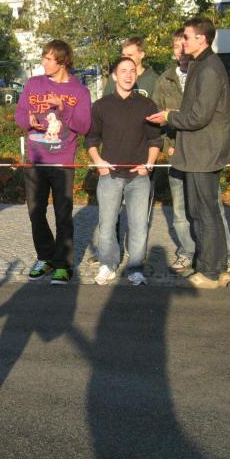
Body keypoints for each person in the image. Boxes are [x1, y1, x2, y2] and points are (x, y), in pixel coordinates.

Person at [147, 16, 230, 289]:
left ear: (202, 39)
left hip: (204, 151)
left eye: (187, 37)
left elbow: (199, 116)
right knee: (203, 210)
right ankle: (216, 267)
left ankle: (211, 271)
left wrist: (169, 116)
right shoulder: (202, 64)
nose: (183, 42)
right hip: (200, 150)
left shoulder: (209, 68)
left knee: (204, 211)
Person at [15, 40, 91, 284]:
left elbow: (84, 126)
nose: (43, 62)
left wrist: (63, 107)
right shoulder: (33, 84)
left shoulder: (80, 91)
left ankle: (63, 264)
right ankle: (45, 257)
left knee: (63, 214)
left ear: (63, 61)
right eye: (43, 57)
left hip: (62, 161)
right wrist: (27, 121)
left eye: (48, 58)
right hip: (35, 159)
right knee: (35, 211)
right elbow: (19, 114)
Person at [86, 56, 162, 286]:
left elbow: (155, 140)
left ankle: (136, 268)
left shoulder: (147, 105)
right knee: (107, 225)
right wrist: (98, 162)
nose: (128, 75)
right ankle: (107, 265)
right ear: (114, 75)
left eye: (132, 70)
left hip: (139, 177)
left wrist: (149, 164)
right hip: (110, 175)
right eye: (123, 71)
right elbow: (91, 139)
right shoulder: (101, 106)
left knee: (139, 226)